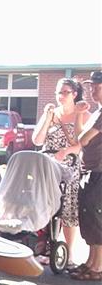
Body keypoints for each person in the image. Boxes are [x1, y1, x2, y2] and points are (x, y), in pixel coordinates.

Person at [31, 78, 90, 268]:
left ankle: (69, 253)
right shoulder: (51, 113)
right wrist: (47, 118)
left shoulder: (83, 114)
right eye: (58, 92)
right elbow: (37, 140)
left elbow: (85, 141)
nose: (61, 96)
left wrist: (67, 151)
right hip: (48, 166)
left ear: (74, 94)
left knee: (67, 210)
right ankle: (47, 247)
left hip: (70, 166)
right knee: (47, 208)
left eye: (65, 92)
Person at [72, 70, 102, 281]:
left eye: (98, 87)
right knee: (88, 218)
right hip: (89, 171)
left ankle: (98, 267)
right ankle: (91, 261)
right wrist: (79, 114)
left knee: (96, 217)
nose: (94, 90)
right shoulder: (97, 113)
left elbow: (83, 140)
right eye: (92, 86)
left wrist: (82, 135)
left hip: (99, 172)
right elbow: (79, 136)